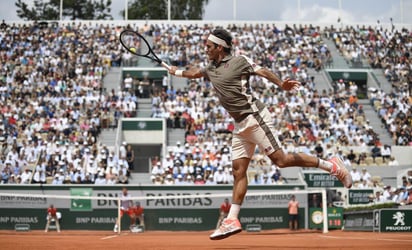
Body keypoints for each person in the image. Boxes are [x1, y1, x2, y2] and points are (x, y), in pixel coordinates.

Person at [168, 28, 352, 240]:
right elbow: (194, 73)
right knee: (238, 170)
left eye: (209, 46)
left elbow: (262, 70)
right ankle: (232, 219)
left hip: (256, 118)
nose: (205, 49)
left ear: (220, 47)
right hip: (239, 126)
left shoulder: (239, 61)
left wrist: (281, 84)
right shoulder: (211, 68)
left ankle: (331, 166)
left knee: (281, 161)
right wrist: (176, 71)